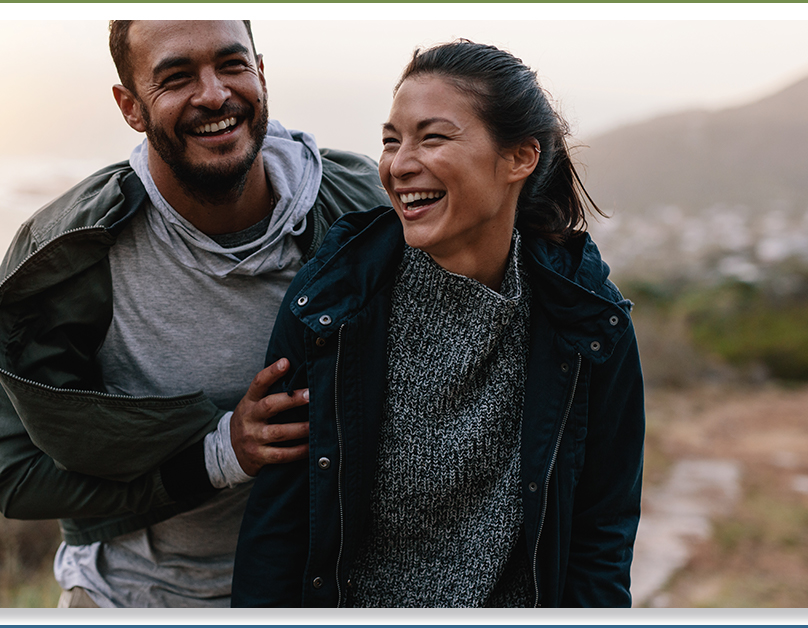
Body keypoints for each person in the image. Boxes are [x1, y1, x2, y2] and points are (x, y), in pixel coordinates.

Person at [0, 20, 388, 608]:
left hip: (329, 593)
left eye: (233, 64)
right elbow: (13, 475)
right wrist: (219, 456)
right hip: (134, 597)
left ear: (262, 72)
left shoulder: (360, 204)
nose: (214, 94)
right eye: (175, 77)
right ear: (131, 107)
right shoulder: (65, 251)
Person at [231, 40, 645, 608]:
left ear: (520, 158)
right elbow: (280, 532)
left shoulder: (589, 321)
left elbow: (601, 534)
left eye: (433, 137)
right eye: (391, 140)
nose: (399, 164)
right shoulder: (333, 301)